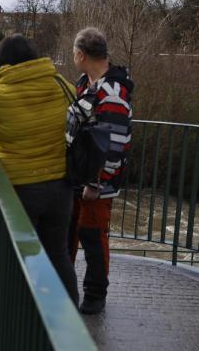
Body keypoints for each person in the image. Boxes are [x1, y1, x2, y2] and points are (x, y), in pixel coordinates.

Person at [0, 34, 79, 306]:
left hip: (20, 189)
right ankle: (69, 313)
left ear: (1, 63)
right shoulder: (60, 84)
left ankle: (25, 313)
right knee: (57, 252)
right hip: (60, 186)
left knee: (20, 256)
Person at [67, 27, 134, 314]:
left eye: (73, 53)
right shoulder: (86, 83)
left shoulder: (114, 91)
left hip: (96, 183)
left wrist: (96, 183)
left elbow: (114, 143)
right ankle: (64, 289)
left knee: (92, 235)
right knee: (70, 231)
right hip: (77, 176)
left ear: (81, 54)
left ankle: (95, 296)